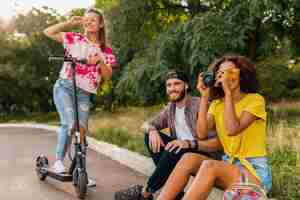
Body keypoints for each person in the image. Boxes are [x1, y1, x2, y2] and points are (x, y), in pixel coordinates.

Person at [157, 54, 272, 200]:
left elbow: (232, 129)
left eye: (229, 71)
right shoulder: (217, 104)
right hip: (228, 166)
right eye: (220, 73)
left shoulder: (255, 100)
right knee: (188, 158)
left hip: (254, 172)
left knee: (210, 165)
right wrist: (205, 96)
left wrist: (228, 93)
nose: (223, 76)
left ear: (241, 75)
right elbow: (201, 134)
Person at [114, 70, 221, 200]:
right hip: (180, 151)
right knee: (151, 137)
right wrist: (152, 130)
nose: (172, 88)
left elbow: (217, 144)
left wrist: (188, 144)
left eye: (177, 84)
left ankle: (145, 193)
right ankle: (173, 192)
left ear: (186, 86)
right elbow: (146, 125)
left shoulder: (200, 105)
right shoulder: (171, 108)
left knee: (175, 148)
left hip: (204, 155)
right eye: (169, 85)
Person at [43, 7, 117, 174]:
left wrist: (100, 61)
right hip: (65, 87)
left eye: (93, 19)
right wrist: (70, 22)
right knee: (70, 124)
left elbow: (107, 76)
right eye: (86, 19)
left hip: (85, 94)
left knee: (81, 132)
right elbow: (47, 31)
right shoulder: (74, 38)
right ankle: (59, 161)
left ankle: (80, 170)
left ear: (101, 24)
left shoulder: (107, 50)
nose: (89, 22)